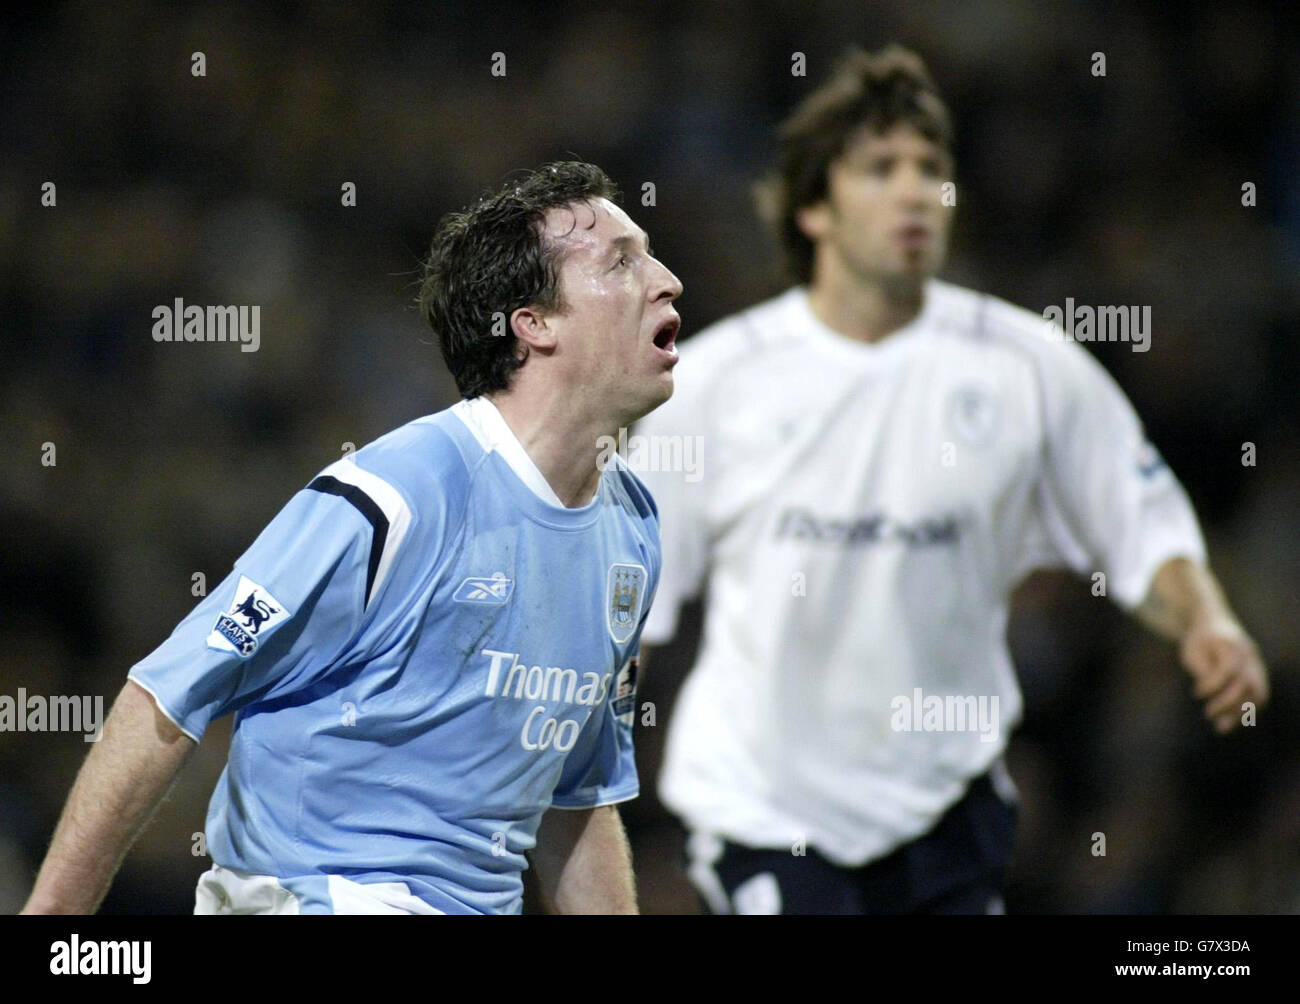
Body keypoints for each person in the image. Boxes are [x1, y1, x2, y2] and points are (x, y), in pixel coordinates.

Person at [633, 46, 1268, 915]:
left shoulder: (1030, 368)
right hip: (767, 813)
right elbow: (621, 586)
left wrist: (1206, 618)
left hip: (949, 810)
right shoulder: (717, 383)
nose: (914, 192)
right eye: (880, 169)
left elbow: (1140, 523)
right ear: (814, 206)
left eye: (931, 169)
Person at [22, 160, 683, 915]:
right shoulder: (399, 495)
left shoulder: (631, 530)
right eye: (622, 262)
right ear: (533, 323)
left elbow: (576, 797)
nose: (666, 280)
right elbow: (165, 697)